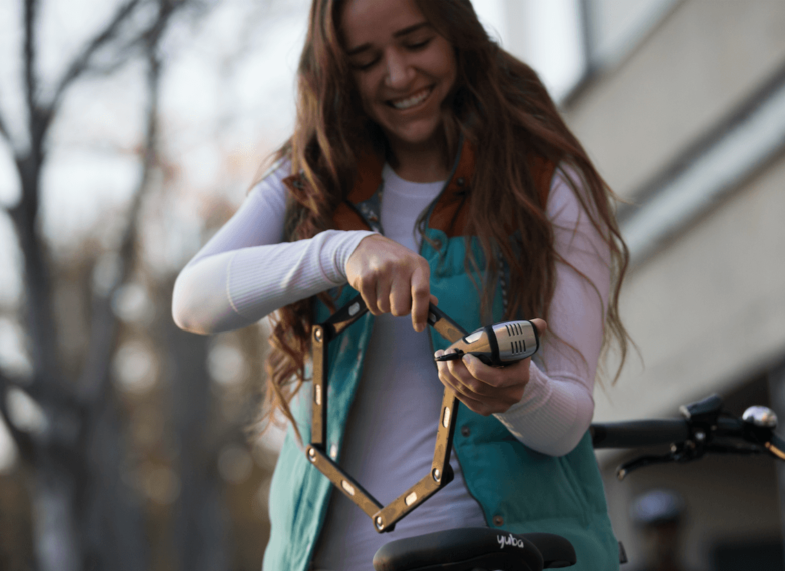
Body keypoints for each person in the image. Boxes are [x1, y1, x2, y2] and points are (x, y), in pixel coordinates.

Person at [172, 0, 630, 569]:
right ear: (337, 71)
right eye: (365, 60)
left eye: (416, 43)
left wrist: (521, 394)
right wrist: (340, 251)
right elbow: (193, 301)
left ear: (458, 34)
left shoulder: (545, 182)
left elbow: (565, 425)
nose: (397, 75)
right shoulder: (312, 179)